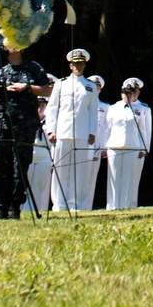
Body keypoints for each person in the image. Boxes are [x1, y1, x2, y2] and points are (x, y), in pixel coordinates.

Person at [0, 43, 51, 219]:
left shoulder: (33, 68)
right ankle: (1, 206)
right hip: (3, 121)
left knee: (21, 164)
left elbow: (47, 90)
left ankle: (15, 206)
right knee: (0, 163)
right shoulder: (1, 72)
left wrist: (26, 88)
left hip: (25, 121)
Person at [46, 48, 99, 212]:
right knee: (60, 168)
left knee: (80, 170)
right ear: (70, 66)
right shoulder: (61, 84)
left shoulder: (90, 86)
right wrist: (51, 130)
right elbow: (53, 108)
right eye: (76, 64)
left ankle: (76, 203)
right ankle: (59, 203)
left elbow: (93, 110)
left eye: (81, 64)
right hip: (62, 131)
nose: (79, 66)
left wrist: (92, 132)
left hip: (82, 133)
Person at [105, 78, 151, 210]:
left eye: (130, 92)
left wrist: (144, 147)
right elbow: (107, 128)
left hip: (133, 146)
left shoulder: (143, 109)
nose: (127, 95)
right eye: (125, 92)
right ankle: (112, 206)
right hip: (114, 145)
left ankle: (126, 205)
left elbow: (145, 130)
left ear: (135, 93)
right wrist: (104, 145)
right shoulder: (113, 108)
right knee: (113, 176)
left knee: (129, 177)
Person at [22, 98, 53, 216]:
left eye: (42, 104)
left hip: (44, 152)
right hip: (29, 150)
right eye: (37, 104)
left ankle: (33, 210)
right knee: (25, 184)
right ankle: (22, 209)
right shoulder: (27, 119)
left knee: (38, 185)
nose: (39, 108)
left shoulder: (50, 120)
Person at [84, 75, 111, 211]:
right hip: (81, 146)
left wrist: (103, 147)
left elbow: (106, 128)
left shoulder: (105, 107)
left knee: (91, 178)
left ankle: (87, 207)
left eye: (98, 87)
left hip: (96, 146)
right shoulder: (82, 104)